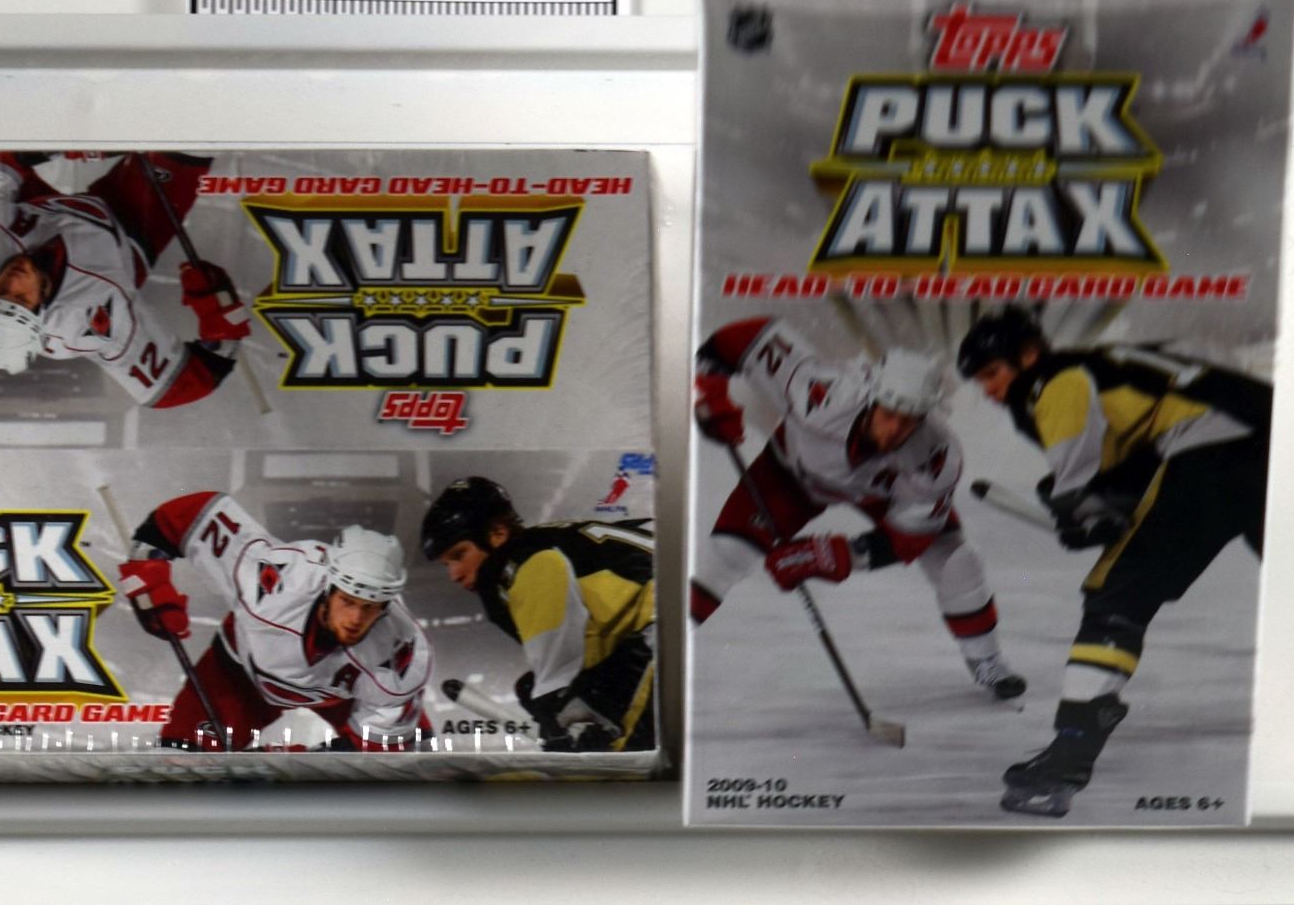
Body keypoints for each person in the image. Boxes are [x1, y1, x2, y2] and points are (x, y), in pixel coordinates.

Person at [957, 306, 1270, 817]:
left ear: (1029, 355)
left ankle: (1068, 757)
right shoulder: (1108, 365)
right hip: (1271, 442)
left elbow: (1081, 478)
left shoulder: (1052, 380)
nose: (989, 390)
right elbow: (1141, 452)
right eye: (979, 381)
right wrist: (1094, 506)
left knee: (1115, 593)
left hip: (1215, 453)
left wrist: (1076, 507)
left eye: (992, 373)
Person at [691, 317, 1025, 700]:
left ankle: (987, 661)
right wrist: (709, 394)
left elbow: (907, 539)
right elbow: (732, 342)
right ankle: (656, 642)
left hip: (878, 495)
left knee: (957, 561)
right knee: (726, 556)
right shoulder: (818, 390)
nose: (894, 430)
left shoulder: (936, 454)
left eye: (909, 421)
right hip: (790, 474)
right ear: (871, 397)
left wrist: (835, 556)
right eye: (888, 414)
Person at [116, 490, 431, 752]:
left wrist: (304, 763)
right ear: (328, 588)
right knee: (181, 756)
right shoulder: (270, 580)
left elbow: (374, 752)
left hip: (346, 693)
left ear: (386, 606)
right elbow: (186, 517)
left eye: (370, 607)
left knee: (413, 753)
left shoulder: (401, 649)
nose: (356, 619)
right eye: (347, 601)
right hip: (241, 671)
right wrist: (147, 580)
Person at [0, 151, 246, 408]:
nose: (12, 281)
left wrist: (70, 143)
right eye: (20, 298)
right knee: (189, 145)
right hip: (124, 231)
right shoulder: (88, 324)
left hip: (36, 210)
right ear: (42, 311)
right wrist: (219, 311)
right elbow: (184, 387)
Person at [421, 477, 656, 752]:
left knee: (628, 752)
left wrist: (563, 711)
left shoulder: (523, 564)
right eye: (447, 564)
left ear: (497, 533)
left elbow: (560, 671)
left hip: (671, 627)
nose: (454, 575)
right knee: (540, 693)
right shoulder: (551, 541)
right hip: (671, 617)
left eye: (459, 555)